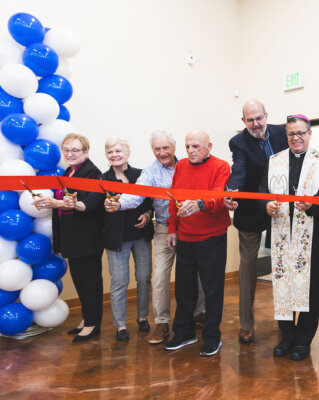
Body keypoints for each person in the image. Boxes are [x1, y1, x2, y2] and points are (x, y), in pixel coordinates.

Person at [104, 131, 205, 345]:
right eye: (157, 149)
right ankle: (161, 322)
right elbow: (137, 193)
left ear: (175, 146)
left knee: (197, 273)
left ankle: (200, 313)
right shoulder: (150, 172)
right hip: (164, 227)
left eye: (165, 148)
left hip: (191, 226)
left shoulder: (189, 165)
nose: (162, 153)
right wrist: (119, 203)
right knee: (159, 277)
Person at [259, 114, 319, 361]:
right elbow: (262, 192)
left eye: (301, 133)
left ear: (309, 134)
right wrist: (267, 204)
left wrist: (311, 205)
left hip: (311, 237)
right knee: (283, 287)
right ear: (286, 135)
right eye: (291, 133)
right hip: (282, 233)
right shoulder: (274, 161)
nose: (296, 137)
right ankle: (287, 335)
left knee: (309, 292)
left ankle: (304, 340)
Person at [225, 99, 288, 344]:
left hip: (282, 211)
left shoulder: (282, 133)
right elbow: (239, 169)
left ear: (266, 115)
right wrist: (231, 192)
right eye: (250, 120)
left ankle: (285, 320)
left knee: (283, 265)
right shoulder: (238, 142)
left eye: (259, 118)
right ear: (243, 121)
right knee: (248, 268)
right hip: (250, 211)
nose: (255, 123)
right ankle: (246, 324)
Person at [164, 130, 231, 357]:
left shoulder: (221, 167)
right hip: (185, 237)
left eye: (196, 146)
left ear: (209, 146)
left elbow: (220, 198)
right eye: (188, 146)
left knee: (212, 290)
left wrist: (201, 204)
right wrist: (172, 228)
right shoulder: (181, 166)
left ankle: (212, 338)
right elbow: (173, 199)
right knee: (184, 290)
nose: (191, 151)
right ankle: (184, 333)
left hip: (212, 237)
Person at [33, 133, 105, 343]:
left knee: (90, 282)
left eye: (75, 150)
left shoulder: (92, 173)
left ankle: (93, 324)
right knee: (80, 281)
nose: (70, 154)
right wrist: (48, 201)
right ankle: (87, 318)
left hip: (87, 238)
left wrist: (56, 203)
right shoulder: (69, 171)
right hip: (72, 237)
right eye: (66, 150)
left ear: (86, 151)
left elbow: (88, 205)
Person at [102, 138, 154, 342]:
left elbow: (151, 203)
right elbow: (99, 210)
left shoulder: (141, 175)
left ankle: (142, 317)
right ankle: (121, 325)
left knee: (143, 278)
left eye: (118, 151)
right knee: (119, 282)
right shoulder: (102, 179)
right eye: (110, 152)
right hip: (116, 239)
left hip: (141, 236)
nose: (114, 155)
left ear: (127, 152)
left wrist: (148, 216)